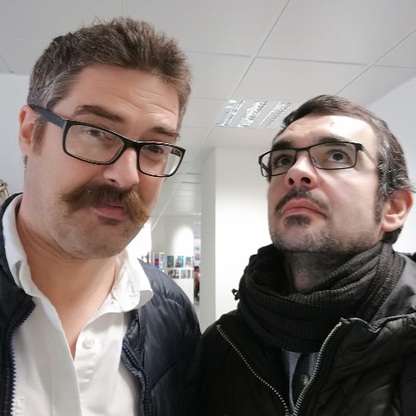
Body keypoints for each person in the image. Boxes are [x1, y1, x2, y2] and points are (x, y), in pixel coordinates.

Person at [0, 17, 200, 416]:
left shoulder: (173, 316)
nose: (126, 176)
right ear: (29, 131)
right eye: (95, 132)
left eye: (155, 148)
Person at [196, 94, 416, 415]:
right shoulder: (222, 345)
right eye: (283, 159)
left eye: (337, 155)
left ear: (392, 208)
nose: (296, 172)